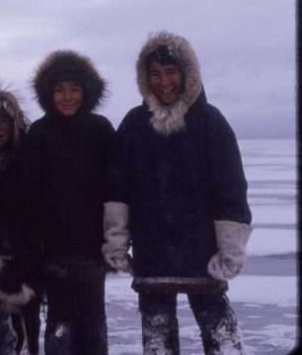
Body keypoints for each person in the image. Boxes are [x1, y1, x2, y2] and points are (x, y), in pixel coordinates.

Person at [103, 31, 252, 354]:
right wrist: (117, 240)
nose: (164, 81)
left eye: (171, 72)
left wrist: (231, 248)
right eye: (155, 74)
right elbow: (118, 188)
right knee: (157, 338)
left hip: (204, 251)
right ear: (145, 79)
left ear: (187, 73)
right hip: (153, 252)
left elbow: (231, 188)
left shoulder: (211, 123)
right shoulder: (133, 124)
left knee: (220, 335)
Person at [23, 50, 114, 354]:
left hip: (93, 252)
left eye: (74, 89)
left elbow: (116, 188)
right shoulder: (38, 133)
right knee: (59, 328)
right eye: (59, 90)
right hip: (54, 255)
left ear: (86, 91)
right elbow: (29, 196)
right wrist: (36, 246)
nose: (67, 97)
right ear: (49, 93)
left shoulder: (101, 130)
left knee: (93, 326)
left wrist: (114, 240)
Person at [0, 86, 40, 355]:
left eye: (3, 121)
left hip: (18, 259)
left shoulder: (26, 159)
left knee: (16, 332)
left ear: (14, 125)